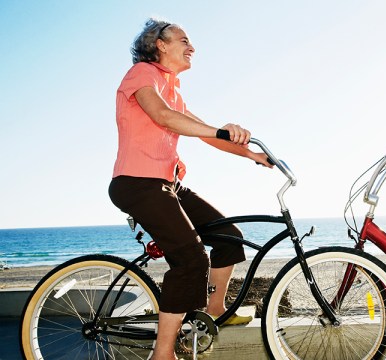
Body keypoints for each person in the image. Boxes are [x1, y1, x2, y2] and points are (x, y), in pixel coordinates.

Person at [109, 19, 273, 359]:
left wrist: (252, 154)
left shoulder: (174, 90)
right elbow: (163, 117)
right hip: (137, 183)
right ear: (160, 45)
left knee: (229, 236)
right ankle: (163, 353)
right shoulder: (142, 74)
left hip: (167, 184)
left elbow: (201, 132)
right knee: (191, 261)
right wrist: (222, 131)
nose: (192, 47)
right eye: (183, 40)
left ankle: (214, 311)